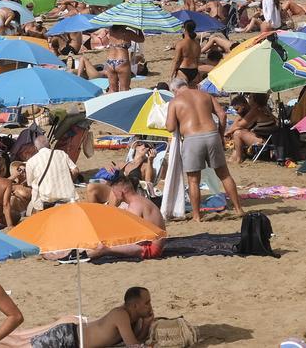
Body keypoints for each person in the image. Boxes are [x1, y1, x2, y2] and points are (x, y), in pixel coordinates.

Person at [165, 77, 244, 221]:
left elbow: (170, 127)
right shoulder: (205, 95)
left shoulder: (175, 101)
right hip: (212, 135)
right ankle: (238, 209)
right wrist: (220, 135)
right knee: (224, 174)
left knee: (193, 180)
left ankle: (196, 215)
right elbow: (222, 114)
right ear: (186, 85)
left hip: (192, 138)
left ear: (174, 90)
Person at [10, 287, 154, 348]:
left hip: (72, 339)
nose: (150, 306)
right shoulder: (120, 315)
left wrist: (146, 324)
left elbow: (136, 341)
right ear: (135, 306)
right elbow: (133, 345)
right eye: (147, 303)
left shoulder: (132, 319)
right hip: (67, 336)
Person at [86, 175, 165, 260]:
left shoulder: (135, 206)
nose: (114, 196)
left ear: (121, 192)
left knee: (103, 248)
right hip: (152, 243)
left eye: (114, 192)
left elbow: (137, 239)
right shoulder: (139, 200)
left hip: (151, 249)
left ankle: (85, 255)